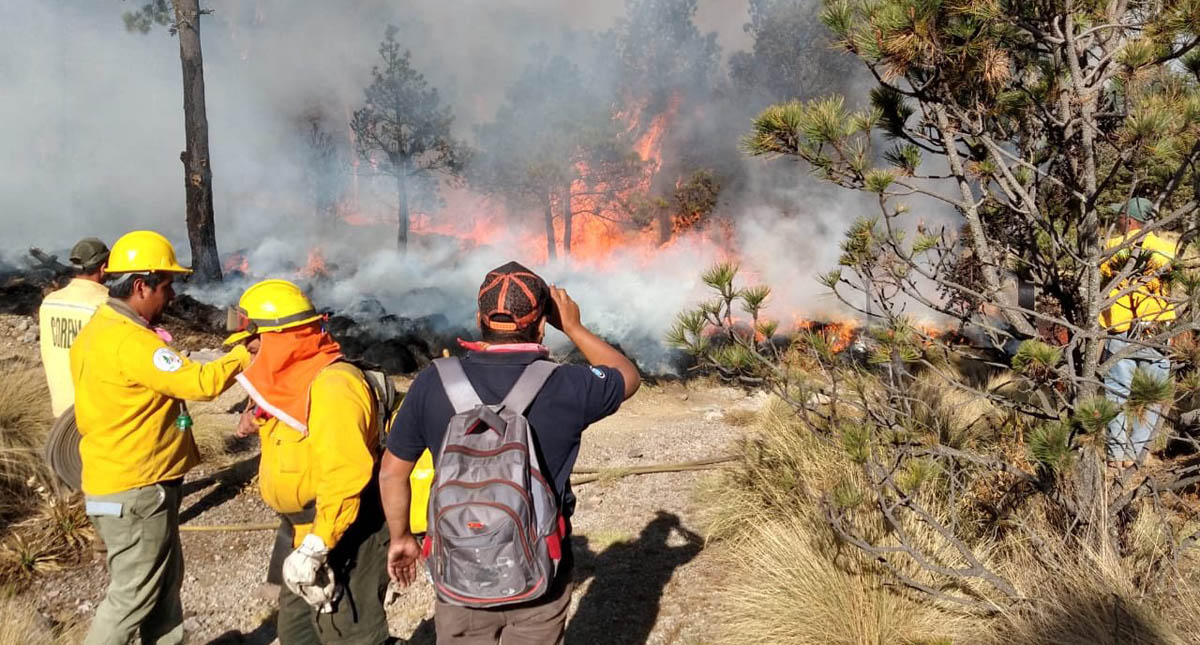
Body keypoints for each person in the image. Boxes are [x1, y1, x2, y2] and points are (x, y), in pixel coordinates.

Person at [379, 261, 641, 644]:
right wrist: (573, 327)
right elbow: (627, 375)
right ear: (540, 324)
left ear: (478, 317)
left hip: (458, 565)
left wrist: (401, 537)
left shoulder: (433, 381)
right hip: (540, 570)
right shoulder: (569, 383)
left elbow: (392, 474)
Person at [71, 230, 253, 645]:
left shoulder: (101, 328)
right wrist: (243, 353)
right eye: (166, 286)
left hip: (125, 481)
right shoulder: (132, 342)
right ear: (140, 286)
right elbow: (200, 382)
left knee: (163, 587)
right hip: (135, 488)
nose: (171, 296)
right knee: (132, 597)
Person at [229, 279, 390, 644]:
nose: (248, 352)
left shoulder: (334, 387)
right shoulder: (294, 383)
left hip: (343, 532)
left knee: (349, 634)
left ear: (282, 339)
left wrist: (319, 545)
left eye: (254, 345)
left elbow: (345, 476)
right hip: (301, 533)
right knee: (298, 633)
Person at [1099, 198, 1176, 467]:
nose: (1115, 223)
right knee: (1154, 398)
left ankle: (1115, 455)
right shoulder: (1167, 250)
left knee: (1116, 395)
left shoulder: (1112, 248)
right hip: (1157, 331)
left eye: (1119, 218)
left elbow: (1103, 279)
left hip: (1120, 333)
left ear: (1130, 221)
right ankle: (1135, 455)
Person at [38, 237, 110, 417]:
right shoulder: (107, 306)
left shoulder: (50, 303)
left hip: (62, 415)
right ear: (103, 267)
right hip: (99, 415)